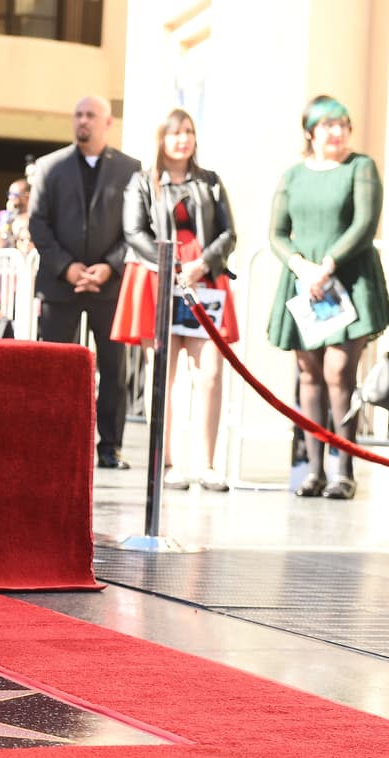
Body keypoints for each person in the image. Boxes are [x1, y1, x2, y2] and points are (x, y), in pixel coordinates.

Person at [266, 95, 389, 500]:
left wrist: (329, 263)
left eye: (343, 124)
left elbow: (364, 222)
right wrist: (301, 266)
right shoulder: (293, 176)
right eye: (328, 125)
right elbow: (277, 233)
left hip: (349, 280)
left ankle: (345, 467)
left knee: (339, 371)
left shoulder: (361, 167)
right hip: (306, 281)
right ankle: (313, 469)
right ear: (311, 132)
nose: (337, 132)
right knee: (309, 374)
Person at [113, 108, 238, 491]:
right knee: (162, 377)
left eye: (189, 132)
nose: (183, 139)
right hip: (157, 279)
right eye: (175, 133)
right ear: (162, 140)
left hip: (204, 280)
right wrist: (171, 265)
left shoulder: (211, 182)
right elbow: (133, 231)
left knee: (210, 375)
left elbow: (229, 233)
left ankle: (207, 464)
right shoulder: (141, 181)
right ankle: (164, 462)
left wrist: (202, 264)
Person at [28, 94, 142, 469]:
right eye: (78, 114)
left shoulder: (130, 169)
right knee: (56, 369)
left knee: (113, 369)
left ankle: (110, 448)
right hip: (61, 286)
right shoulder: (49, 166)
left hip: (110, 287)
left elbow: (136, 228)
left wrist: (109, 267)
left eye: (91, 115)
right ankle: (54, 441)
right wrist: (67, 267)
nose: (83, 121)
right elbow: (38, 224)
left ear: (107, 123)